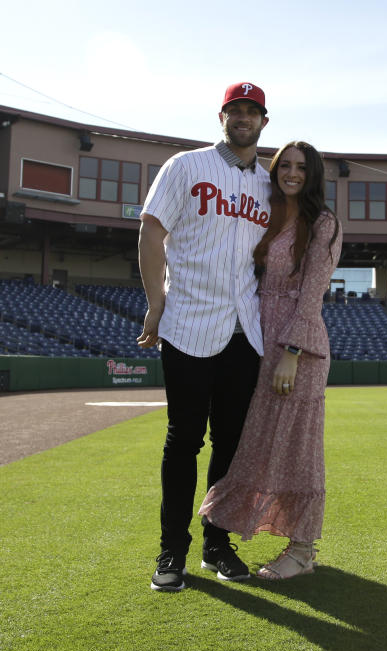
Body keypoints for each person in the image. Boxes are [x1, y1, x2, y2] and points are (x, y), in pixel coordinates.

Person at [138, 82, 271, 592]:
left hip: (245, 330)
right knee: (184, 440)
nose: (243, 117)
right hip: (190, 322)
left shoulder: (268, 184)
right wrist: (156, 302)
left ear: (264, 121)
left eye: (251, 110)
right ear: (221, 116)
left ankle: (217, 543)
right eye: (235, 109)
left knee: (231, 444)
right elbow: (151, 230)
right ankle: (173, 552)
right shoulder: (186, 166)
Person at [198, 140, 342, 580]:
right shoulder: (265, 214)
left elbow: (312, 294)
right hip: (257, 337)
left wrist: (291, 354)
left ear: (313, 174)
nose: (292, 173)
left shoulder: (323, 223)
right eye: (285, 166)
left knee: (298, 446)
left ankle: (301, 551)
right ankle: (219, 536)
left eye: (302, 167)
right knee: (256, 442)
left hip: (296, 348)